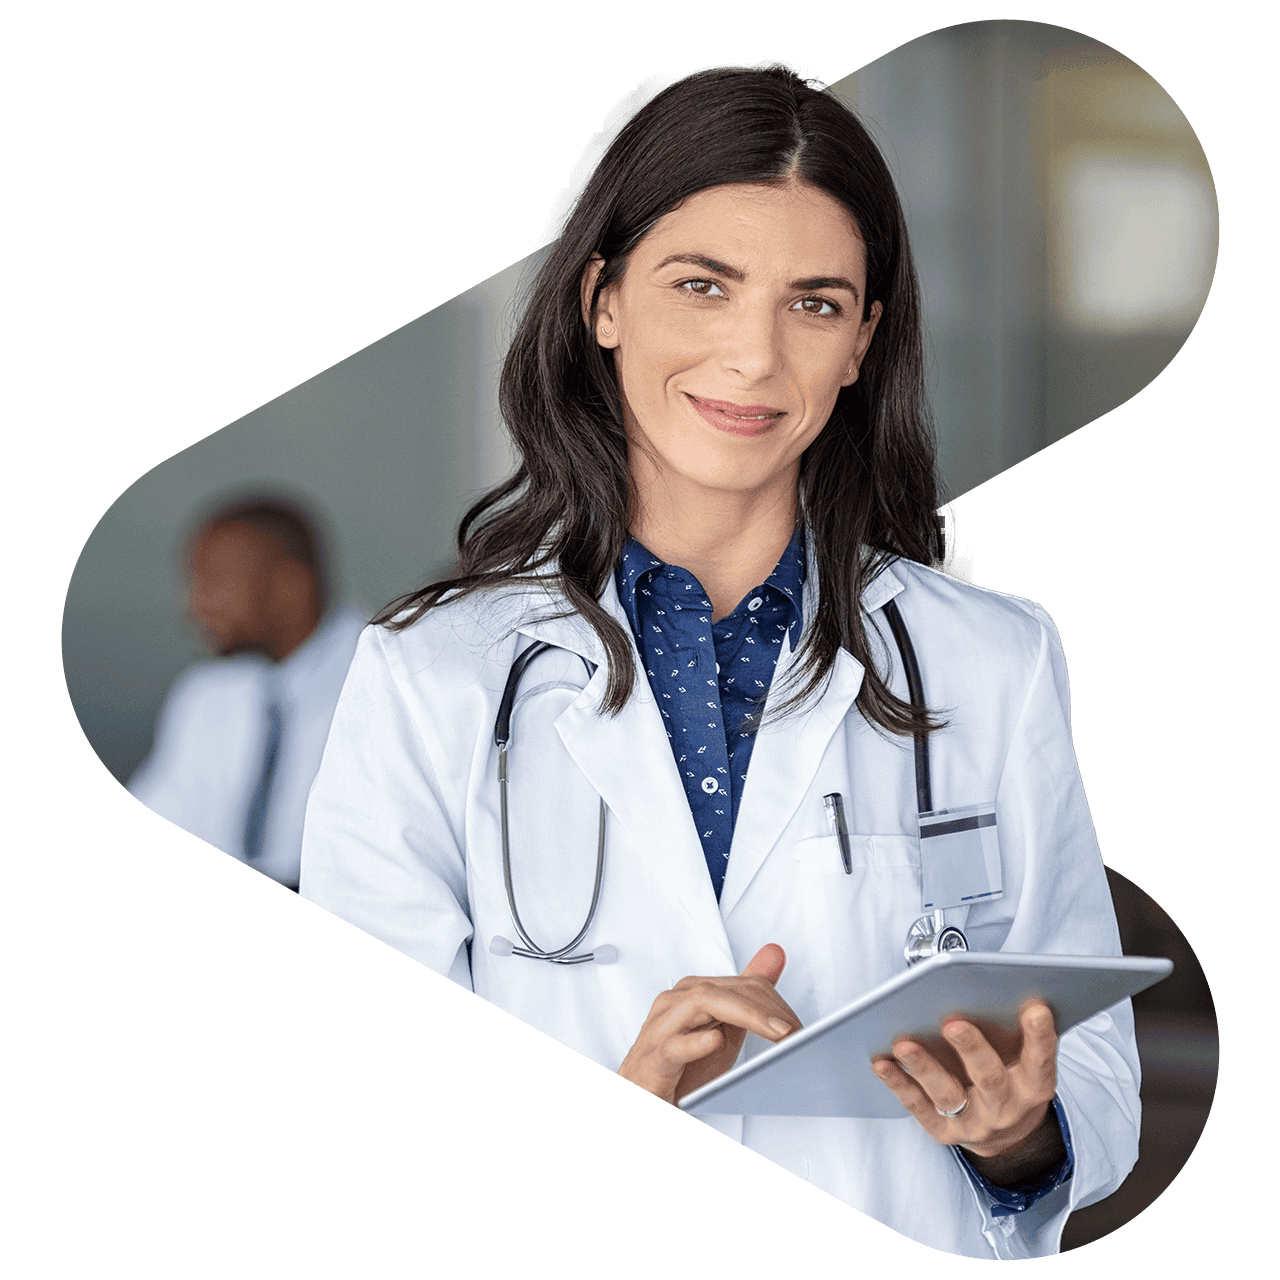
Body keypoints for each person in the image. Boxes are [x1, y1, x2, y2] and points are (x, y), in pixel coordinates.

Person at [299, 65, 1139, 1258]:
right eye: (702, 285)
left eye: (812, 303)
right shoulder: (431, 673)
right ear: (603, 301)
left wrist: (1016, 1131)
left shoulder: (989, 659)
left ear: (860, 344)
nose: (752, 357)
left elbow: (1089, 1067)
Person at [129, 497, 365, 890]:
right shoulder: (206, 696)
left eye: (214, 584)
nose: (193, 607)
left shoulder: (387, 685)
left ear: (290, 587)